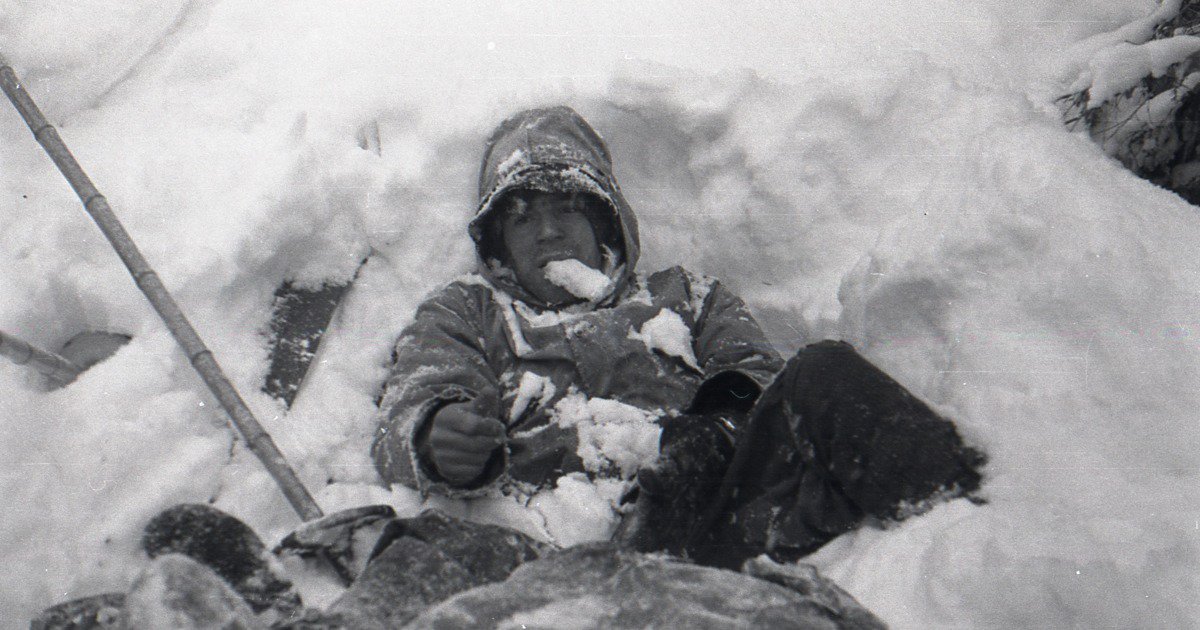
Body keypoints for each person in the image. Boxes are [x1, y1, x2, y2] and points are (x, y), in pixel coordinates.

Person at [372, 105, 985, 568]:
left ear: (604, 218)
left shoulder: (685, 295)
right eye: (521, 217)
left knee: (827, 374)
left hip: (711, 518)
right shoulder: (469, 308)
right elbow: (419, 390)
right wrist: (436, 434)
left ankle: (970, 550)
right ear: (498, 244)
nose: (547, 232)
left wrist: (713, 434)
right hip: (550, 552)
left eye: (566, 208)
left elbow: (759, 377)